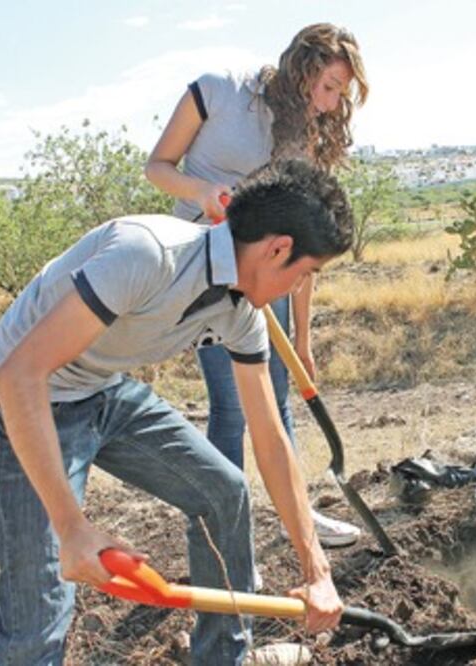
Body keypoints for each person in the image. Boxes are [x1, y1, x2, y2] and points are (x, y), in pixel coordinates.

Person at [0, 160, 350, 665]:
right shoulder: (148, 255)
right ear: (278, 248)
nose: (300, 288)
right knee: (41, 606)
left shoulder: (242, 313)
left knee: (222, 491)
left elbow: (270, 438)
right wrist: (71, 527)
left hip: (102, 391)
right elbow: (19, 376)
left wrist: (315, 570)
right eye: (306, 274)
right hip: (20, 402)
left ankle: (223, 658)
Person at [145, 23, 369, 547]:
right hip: (206, 270)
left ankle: (300, 518)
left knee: (279, 396)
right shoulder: (219, 90)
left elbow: (303, 248)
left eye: (342, 92)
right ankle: (226, 531)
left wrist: (304, 342)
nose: (334, 103)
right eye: (330, 86)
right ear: (303, 70)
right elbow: (157, 166)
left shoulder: (304, 136)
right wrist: (203, 191)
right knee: (231, 404)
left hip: (267, 277)